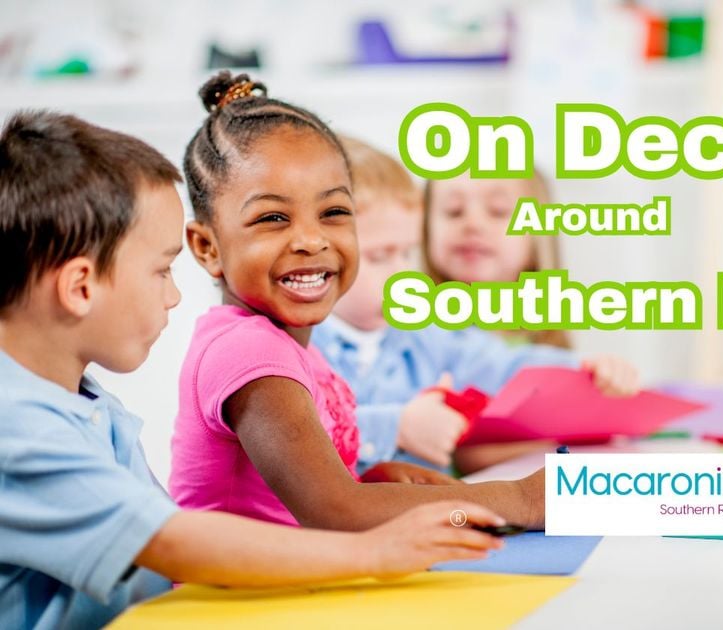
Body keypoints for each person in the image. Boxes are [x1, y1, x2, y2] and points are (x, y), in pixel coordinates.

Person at [0, 110, 505, 630]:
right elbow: (169, 540)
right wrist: (374, 552)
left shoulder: (82, 402)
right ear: (80, 287)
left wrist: (368, 486)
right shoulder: (18, 429)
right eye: (161, 270)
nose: (174, 296)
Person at [170, 72, 545, 532]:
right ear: (207, 246)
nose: (311, 239)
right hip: (238, 601)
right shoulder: (249, 354)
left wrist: (375, 480)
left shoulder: (296, 350)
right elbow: (334, 511)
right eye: (272, 217)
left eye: (334, 213)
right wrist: (520, 498)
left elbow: (314, 495)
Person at [314, 138, 640, 474]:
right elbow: (296, 432)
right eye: (381, 256)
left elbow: (502, 365)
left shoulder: (425, 329)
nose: (402, 274)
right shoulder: (300, 343)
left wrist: (585, 369)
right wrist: (396, 427)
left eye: (408, 253)